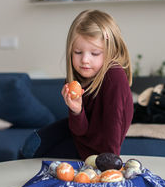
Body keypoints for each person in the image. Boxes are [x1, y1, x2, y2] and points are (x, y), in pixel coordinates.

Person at [21, 9, 133, 161]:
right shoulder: (74, 78)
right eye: (78, 52)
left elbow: (113, 129)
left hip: (94, 148)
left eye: (94, 53)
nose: (85, 60)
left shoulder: (115, 76)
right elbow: (79, 130)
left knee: (34, 155)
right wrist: (76, 110)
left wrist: (109, 164)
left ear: (110, 52)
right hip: (80, 136)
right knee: (30, 146)